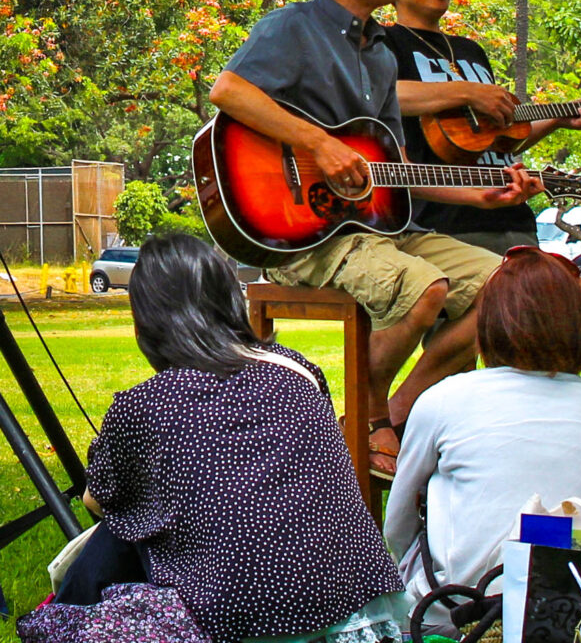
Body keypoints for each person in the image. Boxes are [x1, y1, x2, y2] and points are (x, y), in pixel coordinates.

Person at [209, 0, 539, 477]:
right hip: (305, 231)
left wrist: (479, 193)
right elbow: (228, 91)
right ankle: (368, 424)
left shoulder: (381, 54)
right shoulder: (293, 27)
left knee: (508, 287)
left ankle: (391, 408)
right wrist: (318, 144)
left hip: (381, 225)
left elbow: (392, 170)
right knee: (426, 288)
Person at [20, 235, 405, 643]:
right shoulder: (299, 371)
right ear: (231, 301)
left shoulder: (144, 405)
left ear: (144, 323)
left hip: (238, 624)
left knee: (124, 522)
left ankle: (62, 618)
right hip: (364, 609)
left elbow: (97, 501)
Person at [384, 247, 581, 632]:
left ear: (488, 321)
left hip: (452, 606)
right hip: (567, 607)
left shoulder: (444, 398)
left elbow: (398, 522)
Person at [382, 0, 581, 255]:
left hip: (513, 220)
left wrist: (558, 118)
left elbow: (498, 137)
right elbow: (381, 94)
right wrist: (467, 92)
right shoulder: (385, 43)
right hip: (441, 228)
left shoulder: (470, 50)